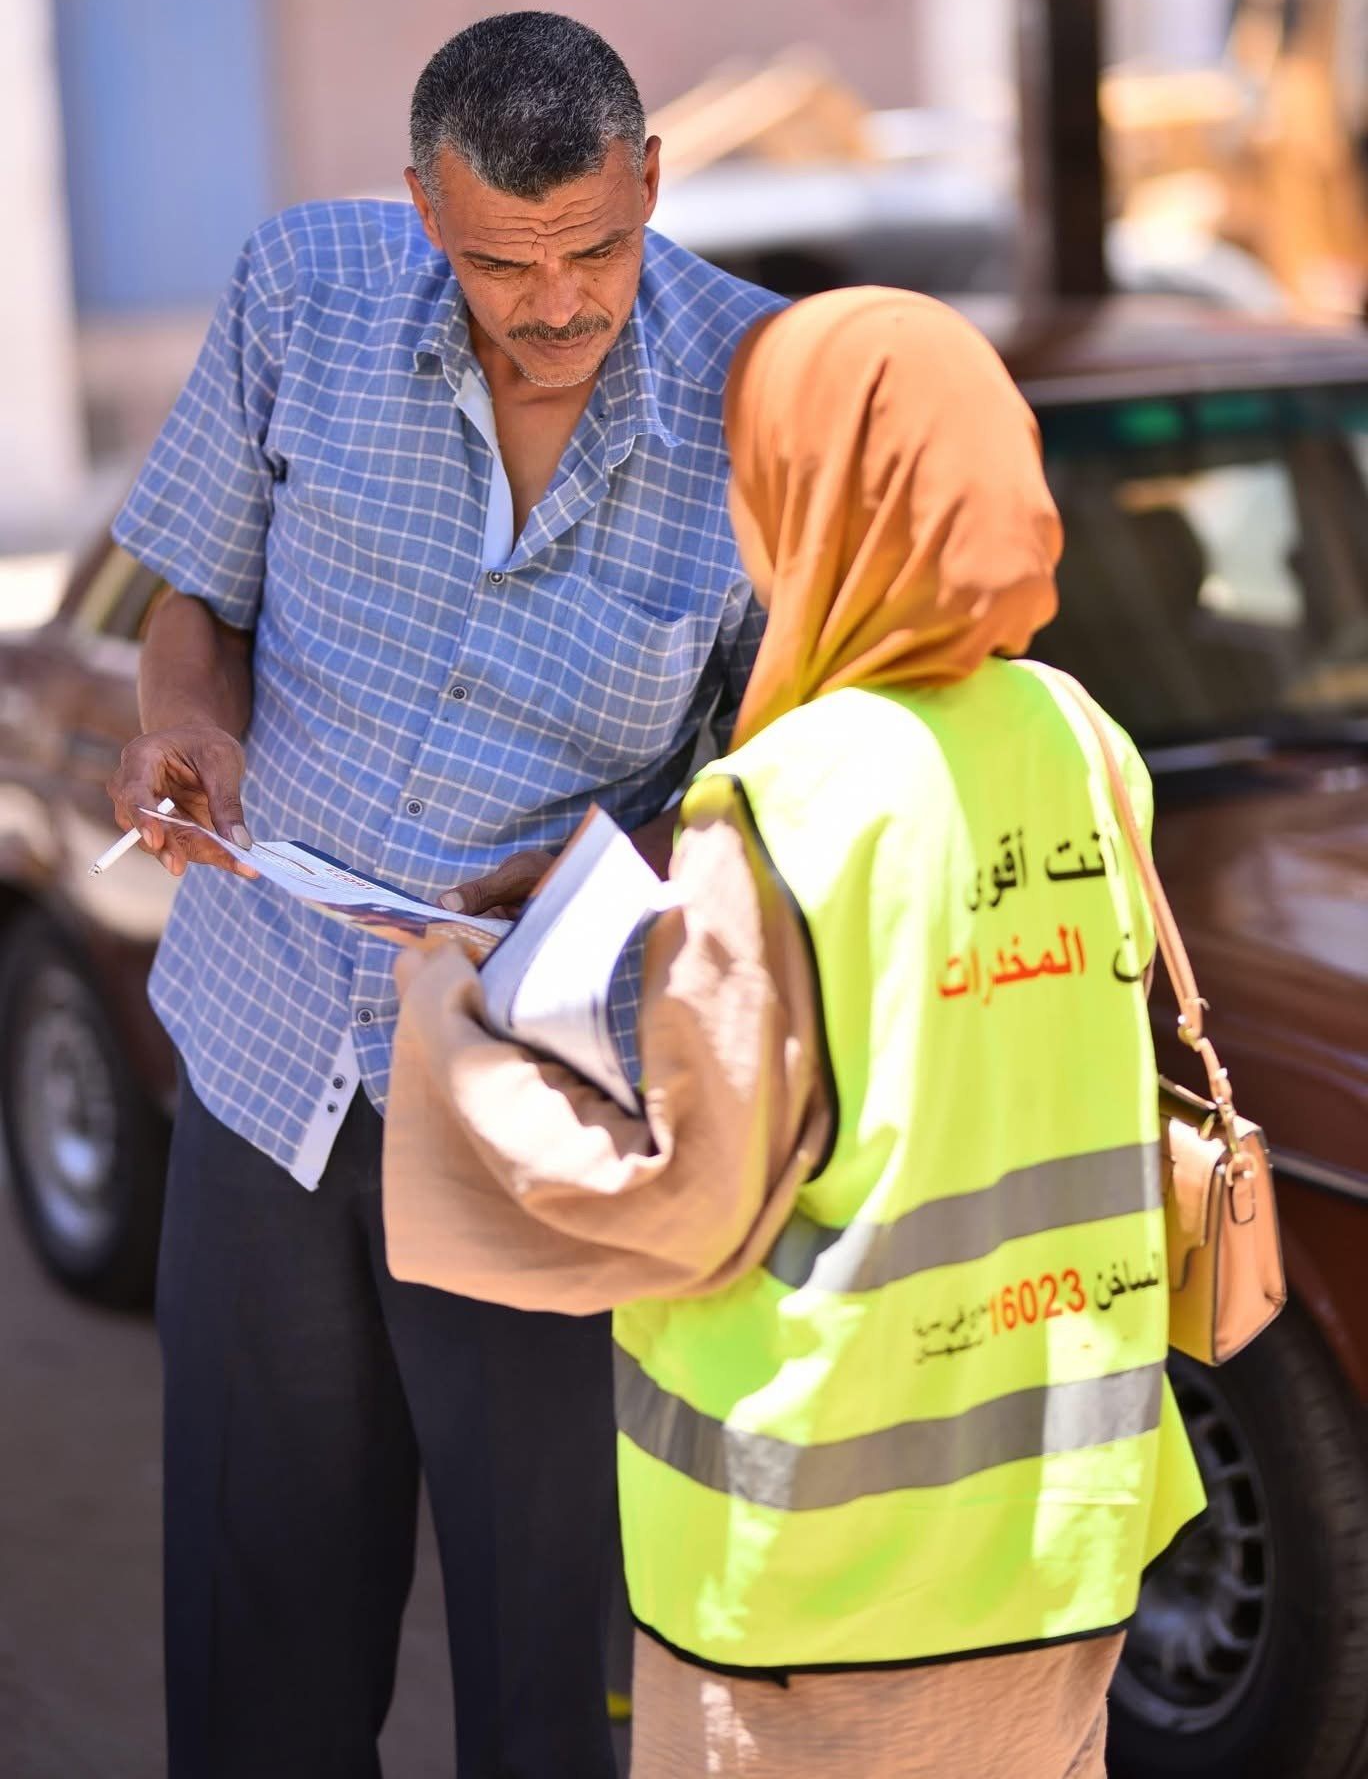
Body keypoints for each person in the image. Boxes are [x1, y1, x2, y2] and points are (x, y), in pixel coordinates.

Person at [382, 288, 1208, 1779]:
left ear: (811, 495)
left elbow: (684, 1203)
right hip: (1066, 1532)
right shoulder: (1083, 740)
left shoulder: (773, 806)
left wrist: (451, 1021)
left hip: (817, 1575)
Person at [105, 11, 782, 1779]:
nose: (556, 303)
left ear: (653, 180)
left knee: (553, 1653)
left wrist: (612, 867)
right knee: (260, 1636)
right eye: (500, 261)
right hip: (268, 1065)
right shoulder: (297, 294)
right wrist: (184, 718)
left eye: (597, 250)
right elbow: (197, 592)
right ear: (421, 210)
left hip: (540, 1100)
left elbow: (785, 784)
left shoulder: (761, 396)